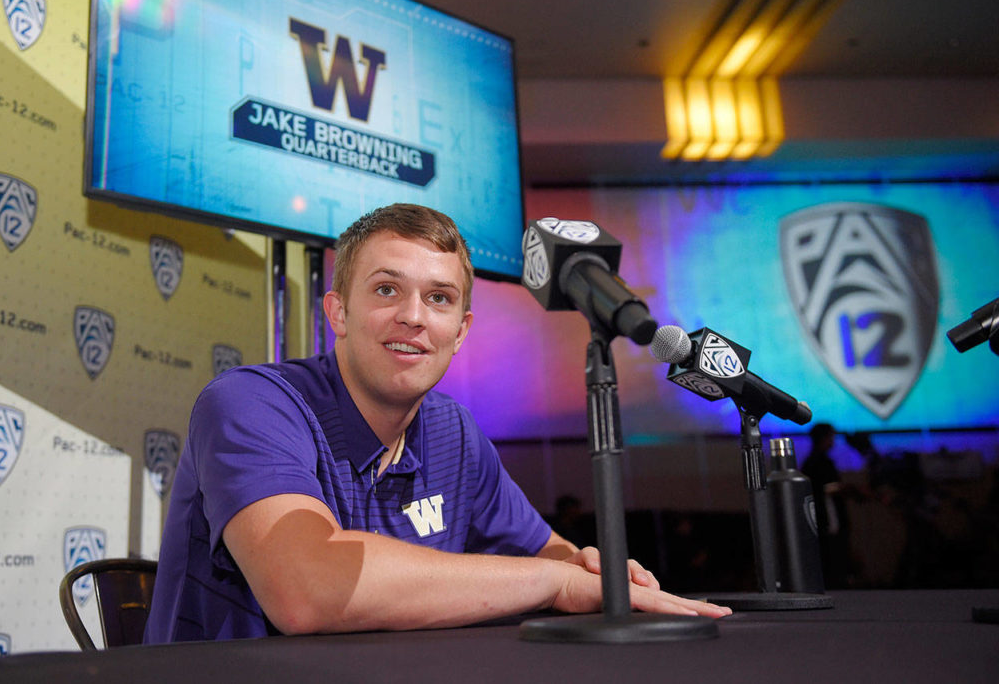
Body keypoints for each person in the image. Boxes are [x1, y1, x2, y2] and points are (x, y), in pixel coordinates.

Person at [144, 204, 729, 642]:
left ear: (462, 331)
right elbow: (307, 592)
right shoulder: (250, 403)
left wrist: (586, 570)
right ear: (338, 312)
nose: (412, 317)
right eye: (386, 289)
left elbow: (550, 556)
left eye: (440, 299)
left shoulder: (452, 430)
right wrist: (553, 584)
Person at [801, 422, 851, 588]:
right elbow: (825, 487)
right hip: (825, 519)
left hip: (824, 519)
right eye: (831, 437)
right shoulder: (818, 462)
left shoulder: (813, 461)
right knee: (830, 558)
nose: (833, 442)